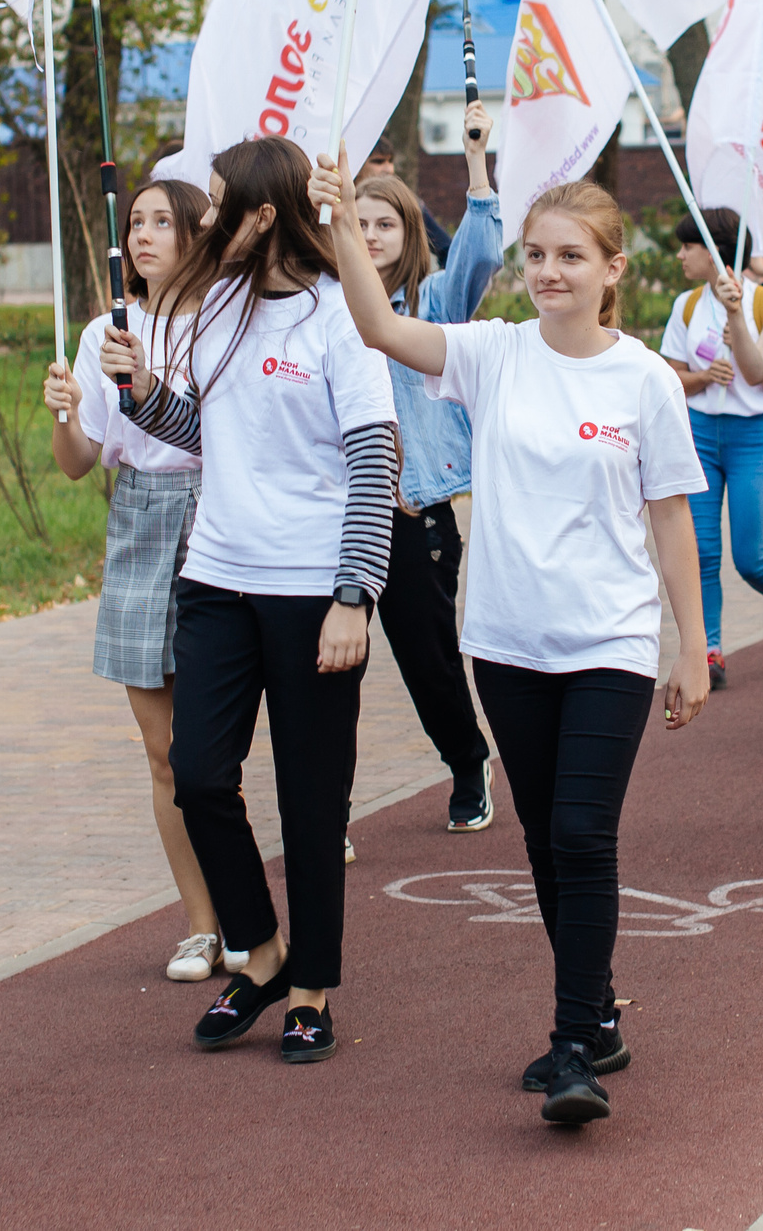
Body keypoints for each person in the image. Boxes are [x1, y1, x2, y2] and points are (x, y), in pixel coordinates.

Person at [313, 164, 711, 1126]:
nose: (548, 271)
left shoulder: (646, 379)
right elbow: (380, 328)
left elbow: (669, 521)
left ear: (613, 268)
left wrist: (690, 644)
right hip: (505, 640)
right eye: (536, 255)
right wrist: (335, 225)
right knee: (543, 841)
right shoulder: (493, 353)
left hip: (610, 642)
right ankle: (599, 1011)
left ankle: (574, 1040)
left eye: (571, 256)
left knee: (582, 833)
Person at [100, 137, 398, 1067]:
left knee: (312, 802)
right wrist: (140, 389)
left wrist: (355, 594)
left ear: (261, 217)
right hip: (217, 580)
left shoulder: (339, 319)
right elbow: (201, 432)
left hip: (314, 591)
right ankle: (260, 952)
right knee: (198, 775)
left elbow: (373, 457)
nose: (200, 216)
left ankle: (310, 987)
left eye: (217, 201)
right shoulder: (218, 309)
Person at [40, 176, 228, 984]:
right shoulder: (103, 331)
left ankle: (248, 909)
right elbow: (81, 463)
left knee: (212, 753)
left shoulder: (227, 322)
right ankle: (201, 923)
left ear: (196, 232)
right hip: (142, 522)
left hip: (221, 518)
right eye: (137, 220)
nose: (144, 234)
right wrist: (63, 412)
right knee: (164, 752)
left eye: (163, 219)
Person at [353, 102, 503, 832]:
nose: (371, 235)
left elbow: (479, 254)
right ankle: (328, 800)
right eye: (359, 223)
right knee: (326, 666)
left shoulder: (435, 300)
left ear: (408, 233)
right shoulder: (327, 307)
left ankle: (466, 757)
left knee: (428, 659)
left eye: (385, 223)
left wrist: (475, 161)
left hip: (416, 510)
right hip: (338, 512)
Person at [659, 206, 763, 689]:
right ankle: (710, 650)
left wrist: (744, 347)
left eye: (688, 246)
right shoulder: (687, 306)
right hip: (698, 437)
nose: (680, 255)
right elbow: (669, 376)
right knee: (705, 553)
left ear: (716, 250)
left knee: (750, 557)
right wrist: (700, 376)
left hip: (753, 436)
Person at [357, 133, 453, 262]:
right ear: (358, 163)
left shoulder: (405, 203)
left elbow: (447, 249)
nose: (389, 169)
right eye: (378, 161)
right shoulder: (333, 205)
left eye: (390, 161)